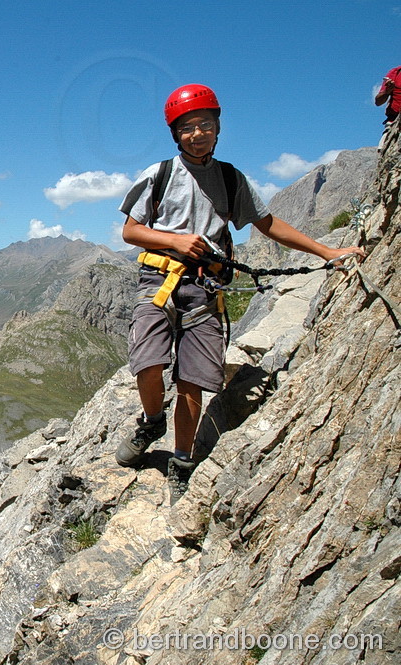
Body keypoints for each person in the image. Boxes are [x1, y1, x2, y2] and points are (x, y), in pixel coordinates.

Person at [115, 84, 365, 504]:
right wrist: (175, 242)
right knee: (148, 364)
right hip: (158, 282)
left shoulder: (231, 180)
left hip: (206, 287)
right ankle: (152, 421)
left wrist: (327, 252)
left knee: (192, 380)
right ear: (176, 134)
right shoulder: (158, 175)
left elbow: (267, 224)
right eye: (188, 127)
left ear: (217, 128)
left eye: (205, 125)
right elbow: (131, 230)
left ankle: (180, 460)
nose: (198, 134)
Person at [375, 65, 401, 151]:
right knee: (383, 148)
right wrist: (387, 91)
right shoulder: (395, 73)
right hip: (394, 122)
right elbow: (378, 102)